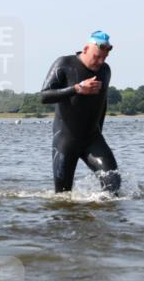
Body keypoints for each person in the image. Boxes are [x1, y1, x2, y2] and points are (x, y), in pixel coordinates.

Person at [40, 30, 121, 194]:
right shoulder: (64, 64)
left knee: (113, 185)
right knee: (63, 196)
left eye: (104, 58)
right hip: (65, 141)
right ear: (85, 49)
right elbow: (44, 96)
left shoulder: (105, 70)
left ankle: (101, 210)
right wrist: (77, 89)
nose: (100, 62)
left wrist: (100, 132)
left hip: (93, 139)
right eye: (97, 57)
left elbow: (102, 103)